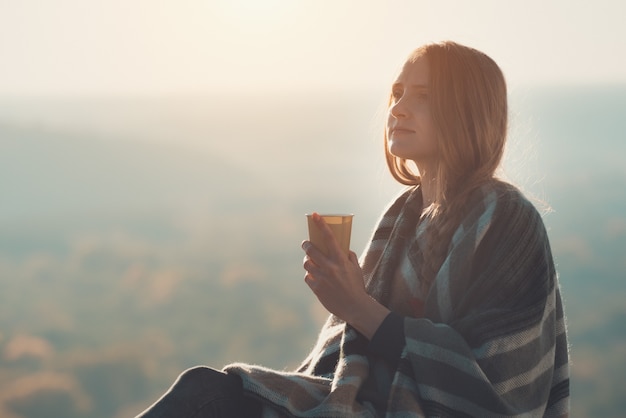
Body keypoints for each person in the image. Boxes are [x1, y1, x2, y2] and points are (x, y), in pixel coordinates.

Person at [135, 41, 570, 417]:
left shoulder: (507, 218)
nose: (398, 107)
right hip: (369, 406)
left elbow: (502, 390)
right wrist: (345, 295)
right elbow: (350, 357)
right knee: (208, 391)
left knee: (209, 399)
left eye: (423, 96)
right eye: (397, 93)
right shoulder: (402, 215)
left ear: (468, 111)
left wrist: (356, 305)